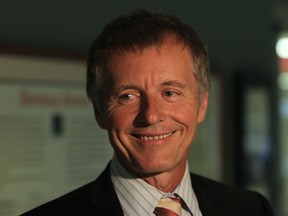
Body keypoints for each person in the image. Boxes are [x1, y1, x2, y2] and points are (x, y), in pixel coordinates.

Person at [21, 10, 273, 216]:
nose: (151, 115)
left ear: (202, 104)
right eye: (127, 96)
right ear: (99, 111)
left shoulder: (250, 208)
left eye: (170, 93)